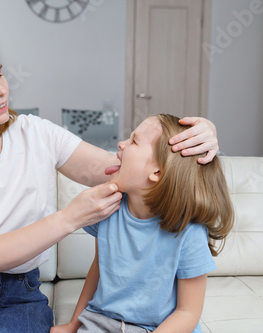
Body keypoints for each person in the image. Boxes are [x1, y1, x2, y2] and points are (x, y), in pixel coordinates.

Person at [0, 28, 219, 333]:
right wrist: (70, 217)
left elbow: (131, 171)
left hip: (18, 296)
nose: (0, 91)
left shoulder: (36, 134)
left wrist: (198, 143)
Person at [51, 114, 234, 333]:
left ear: (157, 172)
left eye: (134, 141)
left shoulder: (190, 232)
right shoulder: (109, 209)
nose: (121, 144)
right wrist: (74, 324)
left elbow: (188, 313)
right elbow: (98, 269)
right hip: (101, 323)